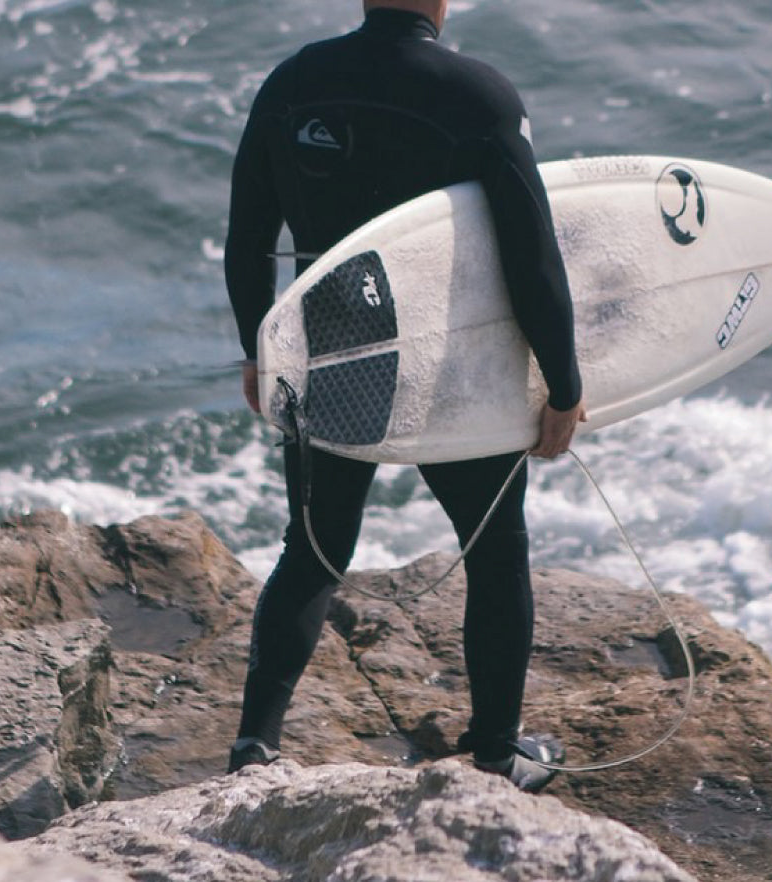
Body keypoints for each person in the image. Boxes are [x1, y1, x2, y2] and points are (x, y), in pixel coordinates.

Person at [224, 0, 585, 791]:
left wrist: (259, 347)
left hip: (333, 352)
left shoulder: (292, 83)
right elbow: (533, 255)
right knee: (495, 553)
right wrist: (563, 383)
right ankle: (496, 753)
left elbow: (248, 232)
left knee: (313, 550)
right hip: (447, 364)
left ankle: (253, 749)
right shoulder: (480, 96)